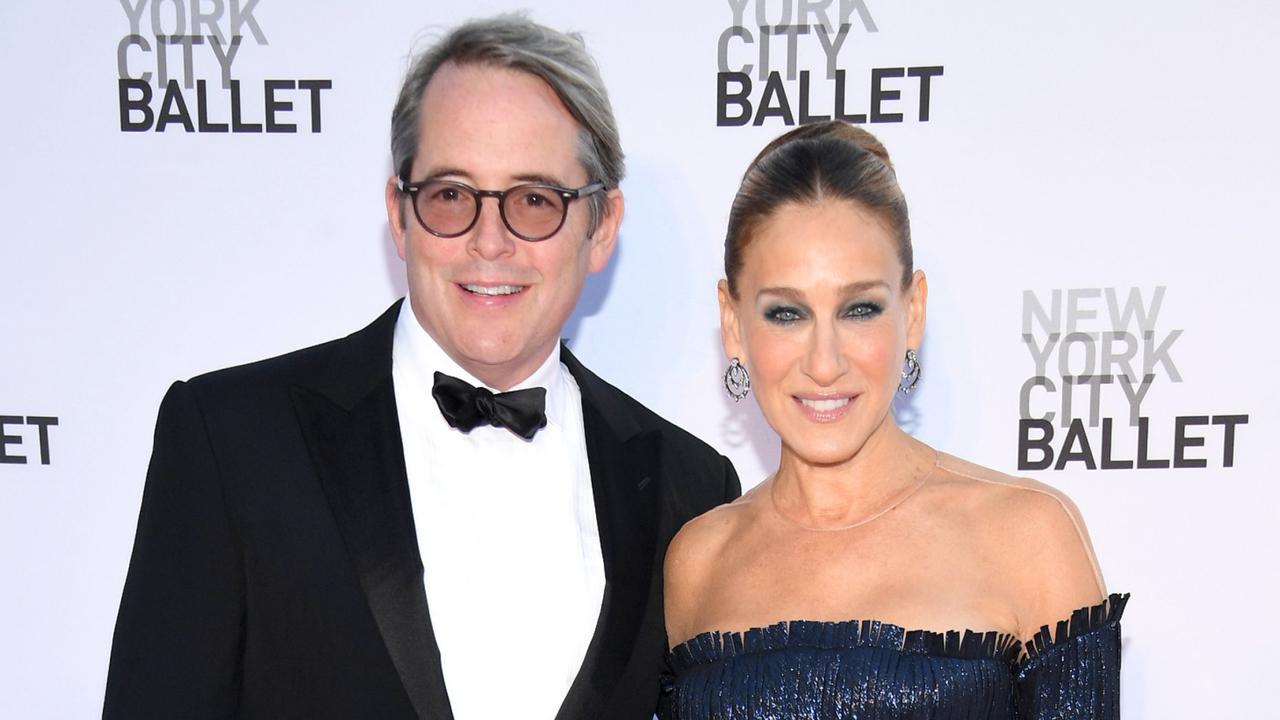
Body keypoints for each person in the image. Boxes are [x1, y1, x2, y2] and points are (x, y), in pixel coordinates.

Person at [104, 15, 739, 720]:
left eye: (534, 200)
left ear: (602, 227)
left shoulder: (690, 489)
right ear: (399, 216)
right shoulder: (234, 444)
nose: (489, 241)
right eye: (450, 197)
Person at [660, 121, 1126, 719]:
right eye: (785, 313)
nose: (824, 363)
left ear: (913, 311)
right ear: (732, 323)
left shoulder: (1030, 536)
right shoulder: (699, 561)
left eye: (859, 309)